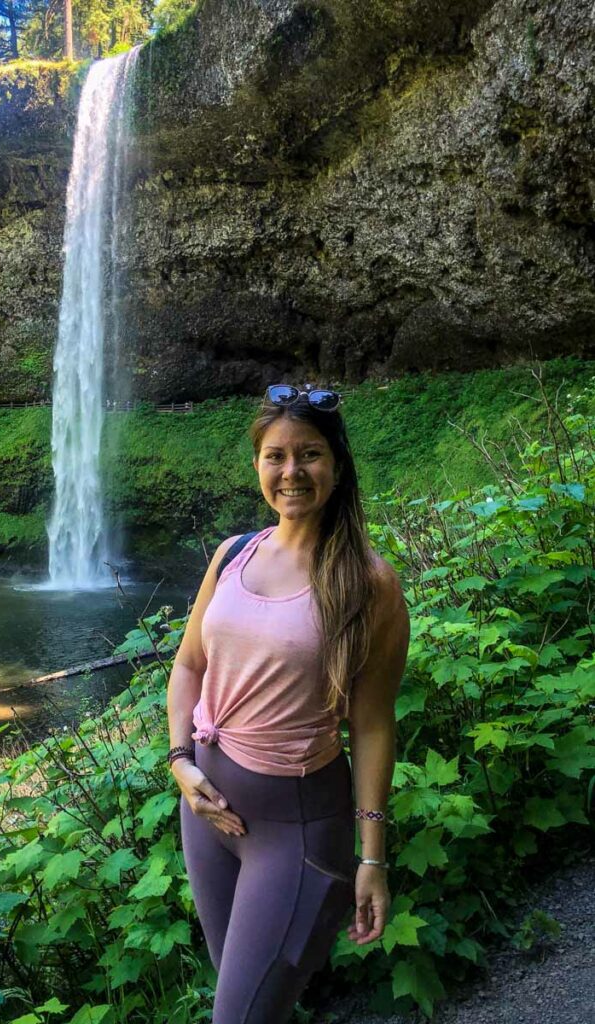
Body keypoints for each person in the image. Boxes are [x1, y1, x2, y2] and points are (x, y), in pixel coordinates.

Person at [166, 383, 410, 1024]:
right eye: (276, 456)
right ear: (257, 465)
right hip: (206, 815)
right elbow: (189, 665)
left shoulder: (368, 583)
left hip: (295, 831)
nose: (292, 472)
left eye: (309, 455)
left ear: (337, 464)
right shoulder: (233, 555)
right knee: (248, 1005)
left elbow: (373, 726)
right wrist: (179, 762)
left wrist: (372, 858)